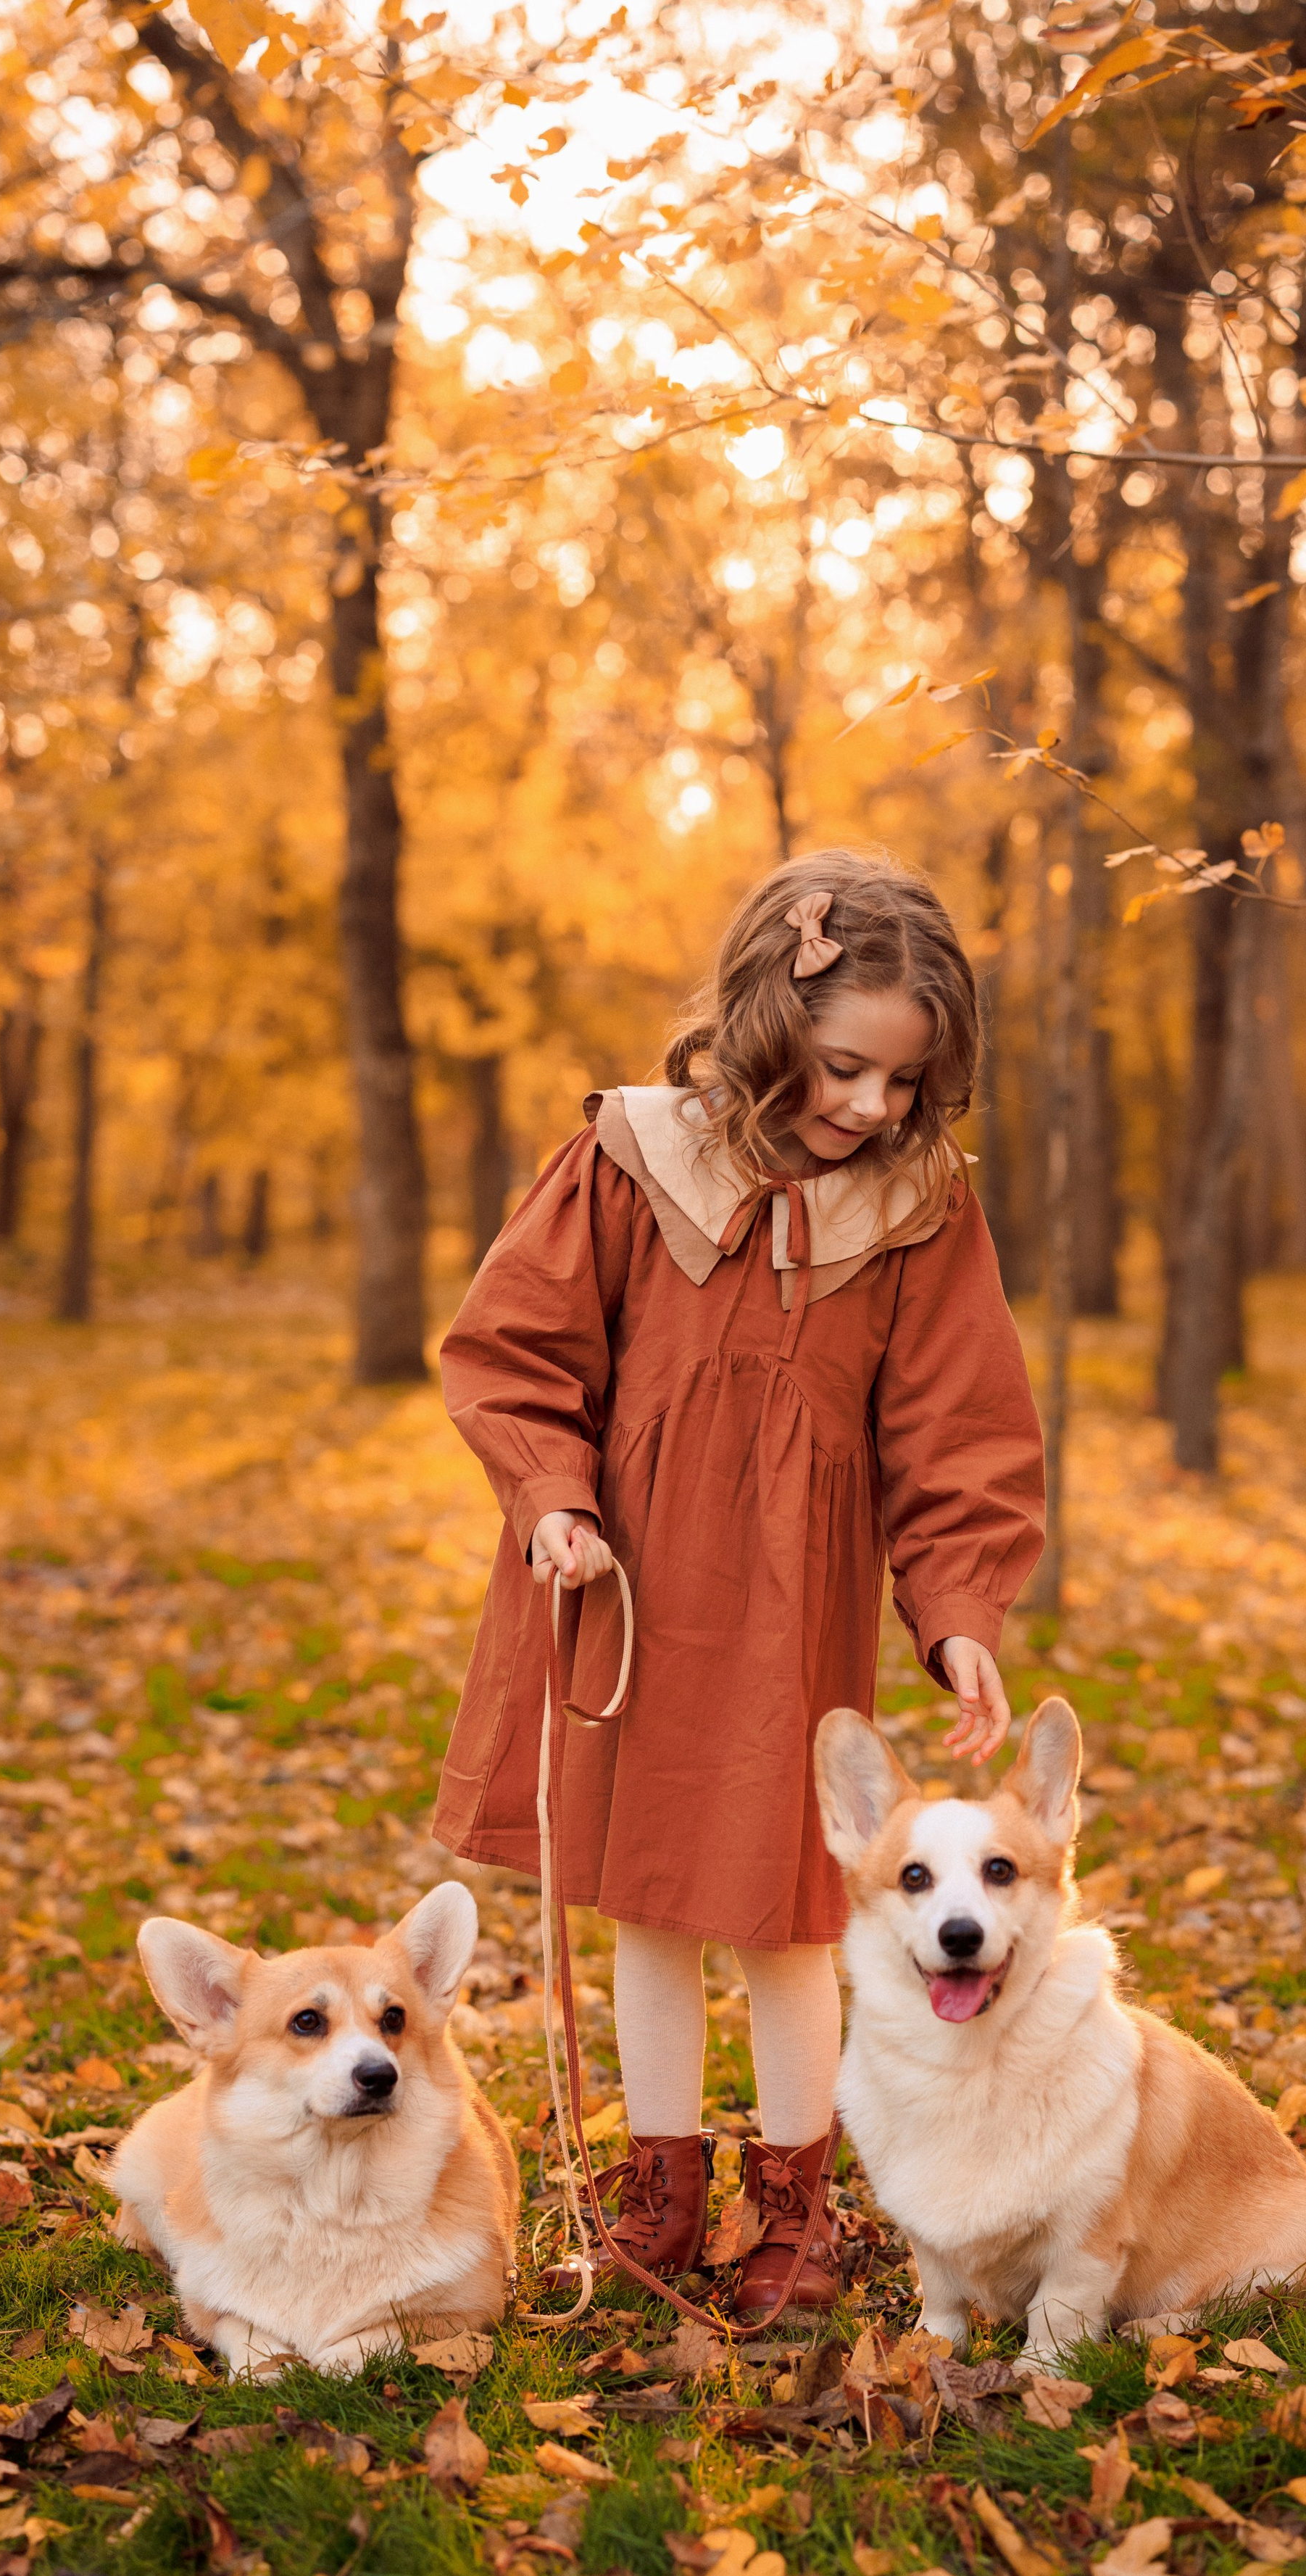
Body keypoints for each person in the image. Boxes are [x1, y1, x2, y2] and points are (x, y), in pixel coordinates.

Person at [431, 845, 1045, 2316]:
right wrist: (554, 1500)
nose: (868, 1108)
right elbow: (518, 1350)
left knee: (786, 1906)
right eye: (842, 1068)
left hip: (793, 1602)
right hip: (632, 1577)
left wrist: (956, 1610)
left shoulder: (917, 1205)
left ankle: (795, 2201)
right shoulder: (632, 1156)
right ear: (772, 1021)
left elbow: (954, 1425)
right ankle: (659, 2185)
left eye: (901, 1083)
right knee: (646, 1894)